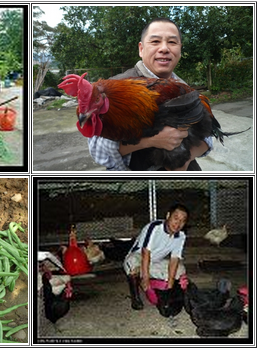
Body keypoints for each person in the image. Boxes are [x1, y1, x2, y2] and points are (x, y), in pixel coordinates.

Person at [88, 18, 212, 171]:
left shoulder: (183, 87)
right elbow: (99, 151)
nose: (164, 48)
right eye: (155, 41)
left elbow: (208, 137)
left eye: (172, 42)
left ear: (180, 50)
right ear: (141, 49)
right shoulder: (112, 89)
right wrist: (153, 140)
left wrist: (183, 161)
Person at [124, 203, 189, 310]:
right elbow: (145, 253)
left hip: (154, 262)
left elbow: (174, 259)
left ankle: (150, 280)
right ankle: (135, 298)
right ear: (168, 216)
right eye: (176, 218)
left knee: (181, 269)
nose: (178, 223)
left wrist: (170, 287)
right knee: (132, 262)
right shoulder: (155, 227)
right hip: (139, 257)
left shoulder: (180, 236)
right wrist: (145, 279)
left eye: (182, 221)